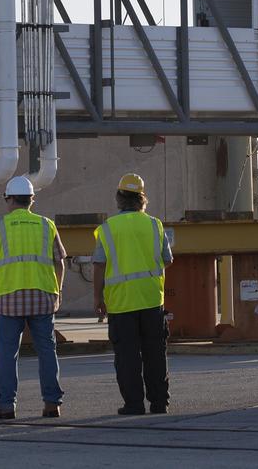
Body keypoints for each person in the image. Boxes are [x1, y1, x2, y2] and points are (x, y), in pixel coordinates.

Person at [0, 175, 66, 420]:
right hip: (43, 296)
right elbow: (59, 262)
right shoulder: (46, 225)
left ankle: (6, 406)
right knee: (47, 351)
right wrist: (58, 291)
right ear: (32, 200)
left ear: (8, 199)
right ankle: (52, 404)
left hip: (9, 298)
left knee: (8, 354)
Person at [93, 173, 173, 415]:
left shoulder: (106, 229)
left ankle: (134, 404)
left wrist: (98, 298)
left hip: (121, 303)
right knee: (155, 354)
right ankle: (159, 403)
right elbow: (167, 260)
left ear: (119, 198)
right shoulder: (154, 225)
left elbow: (99, 265)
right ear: (142, 199)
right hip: (151, 299)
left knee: (127, 357)